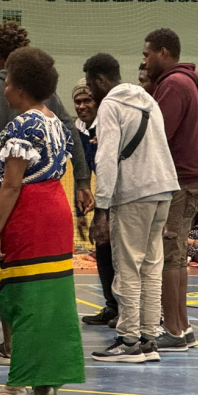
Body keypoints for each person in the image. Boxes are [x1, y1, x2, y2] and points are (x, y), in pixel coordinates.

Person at [0, 21, 94, 364]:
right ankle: (49, 375)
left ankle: (17, 363)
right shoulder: (54, 118)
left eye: (8, 81)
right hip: (56, 210)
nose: (4, 85)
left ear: (19, 86)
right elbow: (72, 142)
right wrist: (83, 183)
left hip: (24, 211)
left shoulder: (22, 125)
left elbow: (11, 184)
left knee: (16, 289)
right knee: (52, 294)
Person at [85, 53, 179, 363]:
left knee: (127, 266)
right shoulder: (147, 100)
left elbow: (107, 158)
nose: (89, 92)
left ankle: (127, 340)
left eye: (89, 84)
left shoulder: (111, 105)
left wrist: (101, 207)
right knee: (151, 267)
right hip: (163, 188)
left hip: (134, 193)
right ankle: (149, 339)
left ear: (101, 80)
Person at [142, 28, 198, 352]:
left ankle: (172, 329)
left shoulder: (172, 84)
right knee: (178, 254)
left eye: (147, 54)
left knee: (171, 254)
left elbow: (157, 136)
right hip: (191, 180)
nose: (144, 60)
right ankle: (181, 327)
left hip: (181, 181)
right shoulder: (183, 82)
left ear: (164, 53)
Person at [73, 78, 118, 328]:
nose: (81, 106)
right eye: (77, 101)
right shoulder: (81, 131)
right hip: (103, 196)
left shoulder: (109, 126)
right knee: (102, 250)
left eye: (86, 100)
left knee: (118, 254)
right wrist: (80, 213)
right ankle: (112, 306)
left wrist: (104, 214)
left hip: (121, 197)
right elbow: (82, 173)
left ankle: (130, 309)